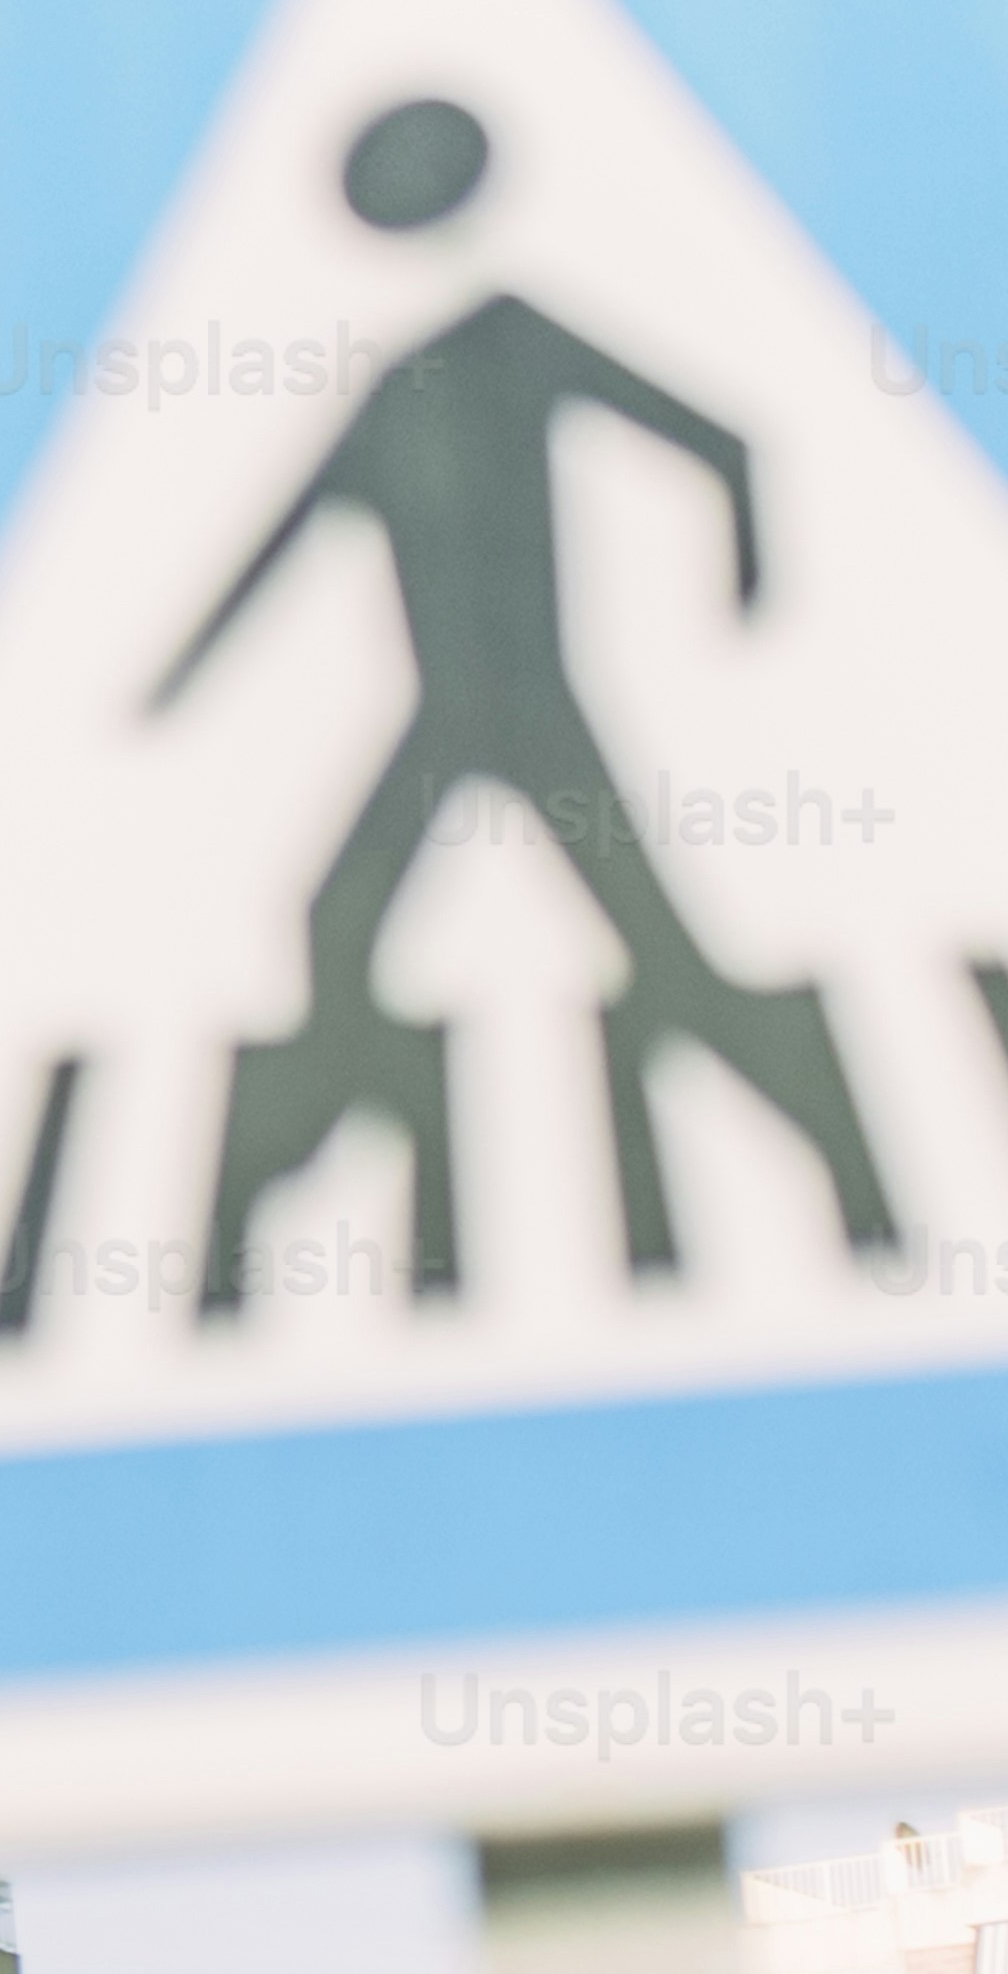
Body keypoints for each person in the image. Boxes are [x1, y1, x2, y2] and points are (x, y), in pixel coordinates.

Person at [157, 92, 896, 1307]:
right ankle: (344, 1156)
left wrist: (749, 579)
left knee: (660, 953)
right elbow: (278, 546)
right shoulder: (392, 389)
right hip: (444, 719)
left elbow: (723, 439)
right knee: (335, 919)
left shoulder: (514, 336)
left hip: (532, 707)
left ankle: (839, 1158)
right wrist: (164, 691)